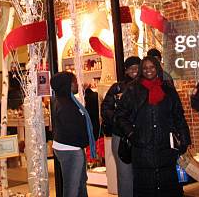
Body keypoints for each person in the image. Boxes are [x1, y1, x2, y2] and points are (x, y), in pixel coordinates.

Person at [115, 56, 190, 197]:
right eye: (145, 68)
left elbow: (178, 115)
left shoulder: (168, 90)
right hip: (142, 147)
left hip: (166, 146)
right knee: (146, 186)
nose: (148, 70)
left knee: (168, 185)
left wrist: (184, 139)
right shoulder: (133, 90)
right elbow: (120, 116)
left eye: (152, 67)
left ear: (157, 68)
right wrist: (132, 134)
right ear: (141, 70)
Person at [50, 71, 96, 197]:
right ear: (67, 85)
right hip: (70, 150)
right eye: (74, 82)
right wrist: (84, 141)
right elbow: (71, 129)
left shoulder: (67, 100)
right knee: (72, 188)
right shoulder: (65, 104)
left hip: (72, 148)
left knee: (80, 184)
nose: (77, 84)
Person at [100, 56, 141, 197]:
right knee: (125, 175)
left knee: (143, 173)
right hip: (122, 137)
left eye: (137, 66)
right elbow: (106, 109)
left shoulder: (147, 86)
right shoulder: (117, 87)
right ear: (126, 70)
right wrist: (120, 121)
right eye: (131, 67)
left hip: (143, 136)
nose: (134, 70)